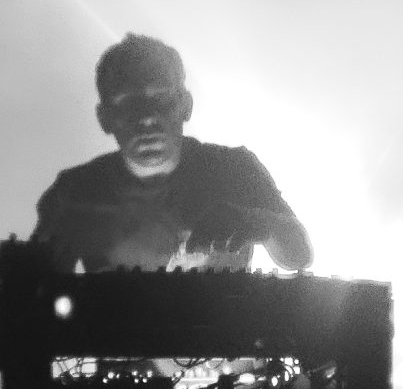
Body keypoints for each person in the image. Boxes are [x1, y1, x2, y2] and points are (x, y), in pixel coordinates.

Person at [28, 34, 313, 273]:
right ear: (105, 117)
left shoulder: (234, 169)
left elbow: (299, 256)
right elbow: (31, 289)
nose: (147, 118)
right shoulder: (74, 193)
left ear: (186, 105)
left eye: (160, 99)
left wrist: (256, 222)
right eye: (129, 103)